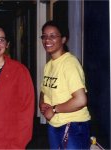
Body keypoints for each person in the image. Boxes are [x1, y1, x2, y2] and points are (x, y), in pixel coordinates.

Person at [39, 20, 91, 149]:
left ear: (63, 39)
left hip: (73, 125)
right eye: (44, 36)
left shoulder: (70, 63)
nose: (47, 40)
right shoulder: (49, 65)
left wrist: (54, 109)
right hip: (55, 124)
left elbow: (80, 100)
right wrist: (42, 104)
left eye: (52, 36)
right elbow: (43, 90)